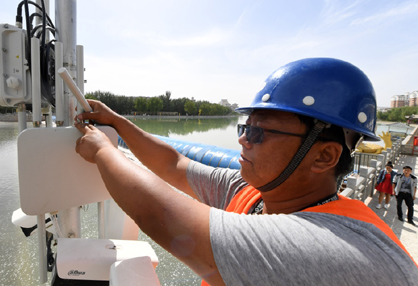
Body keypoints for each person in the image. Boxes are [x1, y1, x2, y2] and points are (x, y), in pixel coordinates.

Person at [74, 58, 418, 285]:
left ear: (324, 156)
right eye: (244, 126)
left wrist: (104, 151)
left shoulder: (342, 249)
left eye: (259, 131)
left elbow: (161, 214)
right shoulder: (253, 193)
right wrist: (116, 122)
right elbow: (173, 164)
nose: (242, 138)